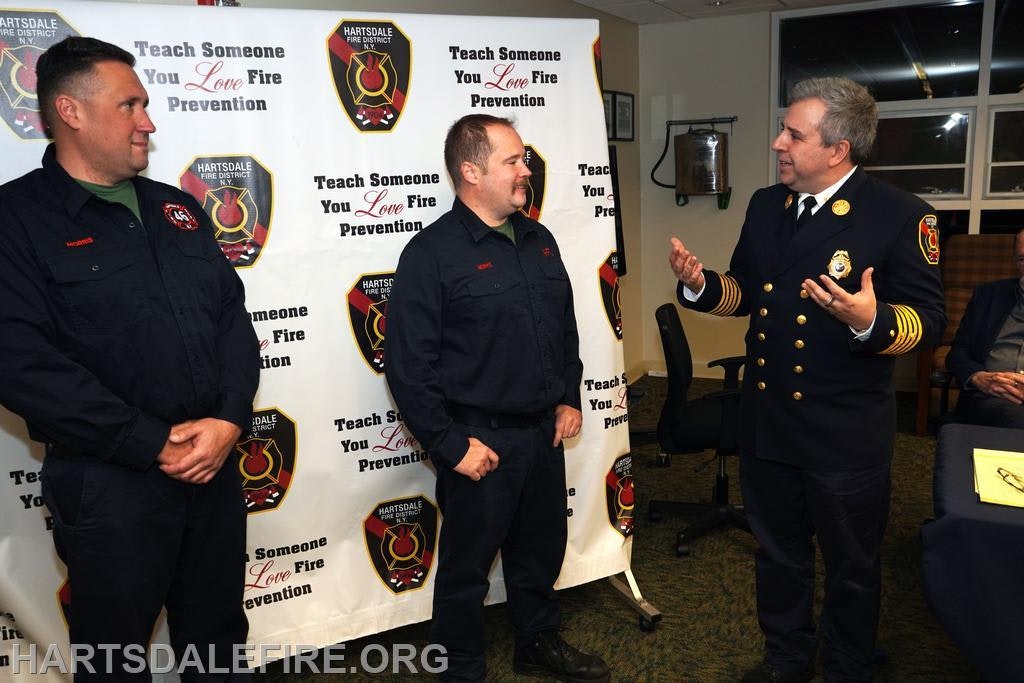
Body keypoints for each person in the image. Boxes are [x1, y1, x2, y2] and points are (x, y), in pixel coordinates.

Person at [669, 77, 944, 683]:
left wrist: (872, 321)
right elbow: (747, 293)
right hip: (769, 424)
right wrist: (699, 284)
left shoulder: (901, 217)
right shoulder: (768, 205)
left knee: (851, 565)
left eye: (793, 134)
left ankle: (849, 664)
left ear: (838, 149)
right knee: (779, 556)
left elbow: (927, 323)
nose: (777, 144)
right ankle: (787, 658)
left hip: (842, 433)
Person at [0, 37, 260, 680]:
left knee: (218, 640)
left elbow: (233, 322)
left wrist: (228, 420)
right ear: (71, 111)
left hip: (214, 464)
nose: (148, 121)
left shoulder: (176, 208)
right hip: (111, 486)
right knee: (114, 656)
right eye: (130, 105)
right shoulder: (17, 220)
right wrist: (151, 443)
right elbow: (20, 362)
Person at [384, 114, 609, 683]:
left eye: (523, 159)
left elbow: (564, 329)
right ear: (470, 171)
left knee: (540, 553)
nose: (525, 169)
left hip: (542, 434)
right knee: (466, 570)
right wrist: (448, 444)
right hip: (478, 440)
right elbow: (409, 365)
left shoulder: (539, 238)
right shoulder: (431, 253)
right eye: (512, 160)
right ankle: (460, 667)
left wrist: (568, 397)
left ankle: (537, 641)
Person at [946, 228, 1024, 428]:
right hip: (990, 396)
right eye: (1023, 259)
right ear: (1016, 262)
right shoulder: (987, 296)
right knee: (1015, 418)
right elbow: (957, 354)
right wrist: (979, 378)